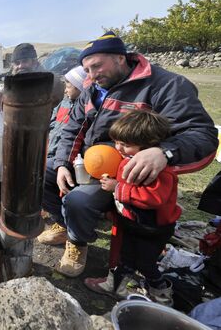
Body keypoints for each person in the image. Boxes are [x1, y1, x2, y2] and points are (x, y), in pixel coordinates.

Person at [37, 31, 218, 278]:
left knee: (77, 201)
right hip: (88, 163)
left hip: (126, 175)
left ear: (121, 58)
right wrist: (61, 165)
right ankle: (65, 223)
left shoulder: (165, 85)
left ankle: (77, 241)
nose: (91, 76)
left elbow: (203, 134)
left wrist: (163, 152)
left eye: (97, 66)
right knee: (38, 173)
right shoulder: (91, 89)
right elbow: (73, 128)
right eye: (87, 70)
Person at [84, 110, 179, 306]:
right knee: (126, 257)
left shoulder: (160, 171)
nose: (118, 147)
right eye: (116, 142)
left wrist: (117, 188)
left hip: (153, 229)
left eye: (125, 144)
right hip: (134, 223)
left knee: (145, 263)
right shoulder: (128, 159)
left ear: (149, 143)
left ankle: (161, 293)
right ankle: (115, 286)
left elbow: (153, 198)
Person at [47, 66, 87, 158]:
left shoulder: (83, 109)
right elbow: (52, 124)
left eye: (68, 87)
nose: (65, 91)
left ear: (79, 87)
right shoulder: (64, 103)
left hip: (63, 155)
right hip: (50, 150)